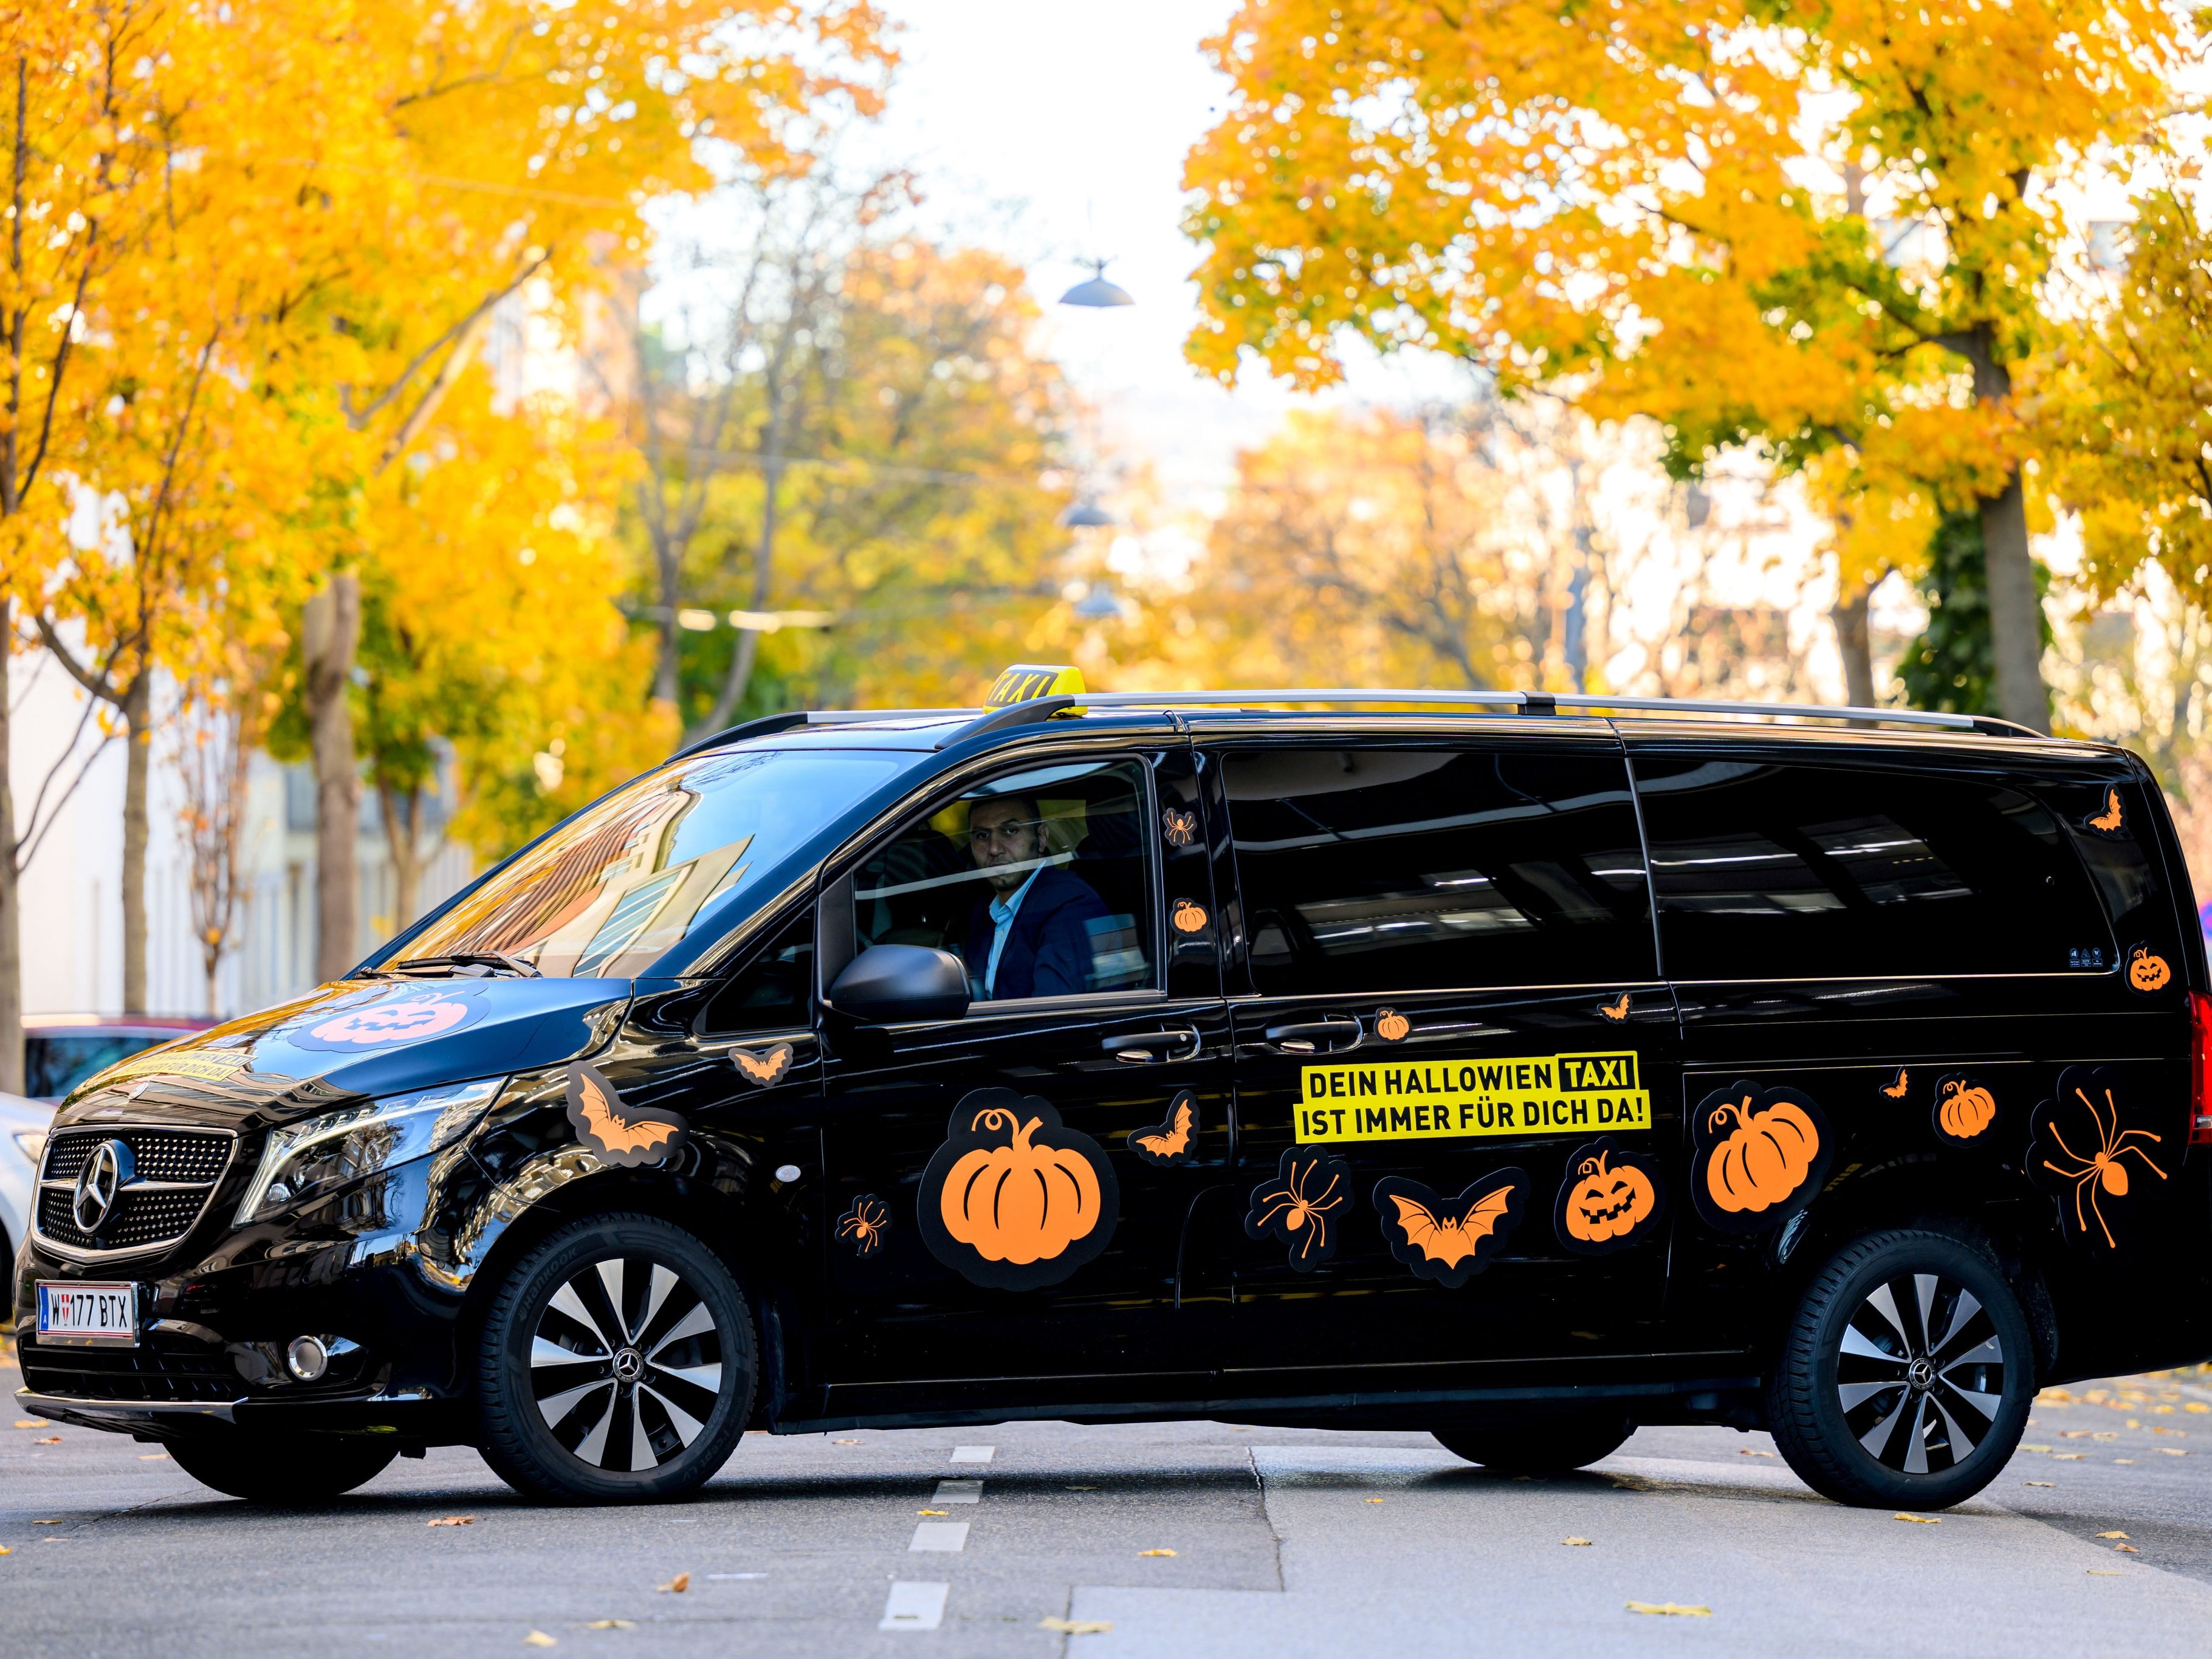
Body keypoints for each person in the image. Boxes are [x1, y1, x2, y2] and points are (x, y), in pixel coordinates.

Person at [961, 794, 1109, 1000]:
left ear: (1041, 838)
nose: (994, 849)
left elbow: (1055, 1018)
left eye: (1010, 831)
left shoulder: (1068, 905)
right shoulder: (982, 912)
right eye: (982, 836)